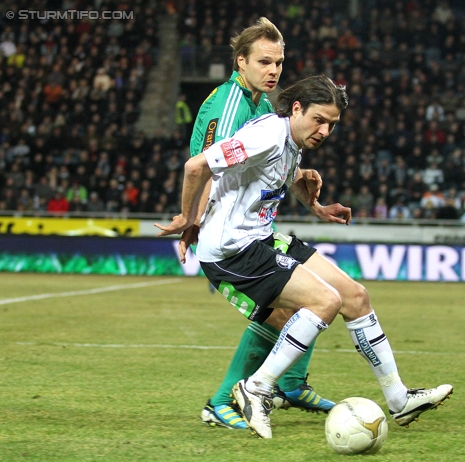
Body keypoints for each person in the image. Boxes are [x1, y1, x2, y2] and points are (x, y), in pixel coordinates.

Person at [156, 75, 453, 439]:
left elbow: (274, 174)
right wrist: (190, 218)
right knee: (324, 302)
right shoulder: (265, 132)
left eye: (332, 124)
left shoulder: (291, 139)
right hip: (232, 250)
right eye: (320, 120)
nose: (325, 130)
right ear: (296, 108)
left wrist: (316, 206)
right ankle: (256, 388)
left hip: (261, 238)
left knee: (355, 297)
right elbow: (196, 166)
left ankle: (399, 399)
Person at [184, 18, 335, 430]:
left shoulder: (263, 105)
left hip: (252, 233)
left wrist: (304, 185)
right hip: (225, 238)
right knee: (280, 314)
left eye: (279, 63)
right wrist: (190, 223)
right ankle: (219, 403)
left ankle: (287, 384)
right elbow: (204, 166)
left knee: (301, 304)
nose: (274, 71)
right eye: (264, 62)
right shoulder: (229, 103)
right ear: (241, 62)